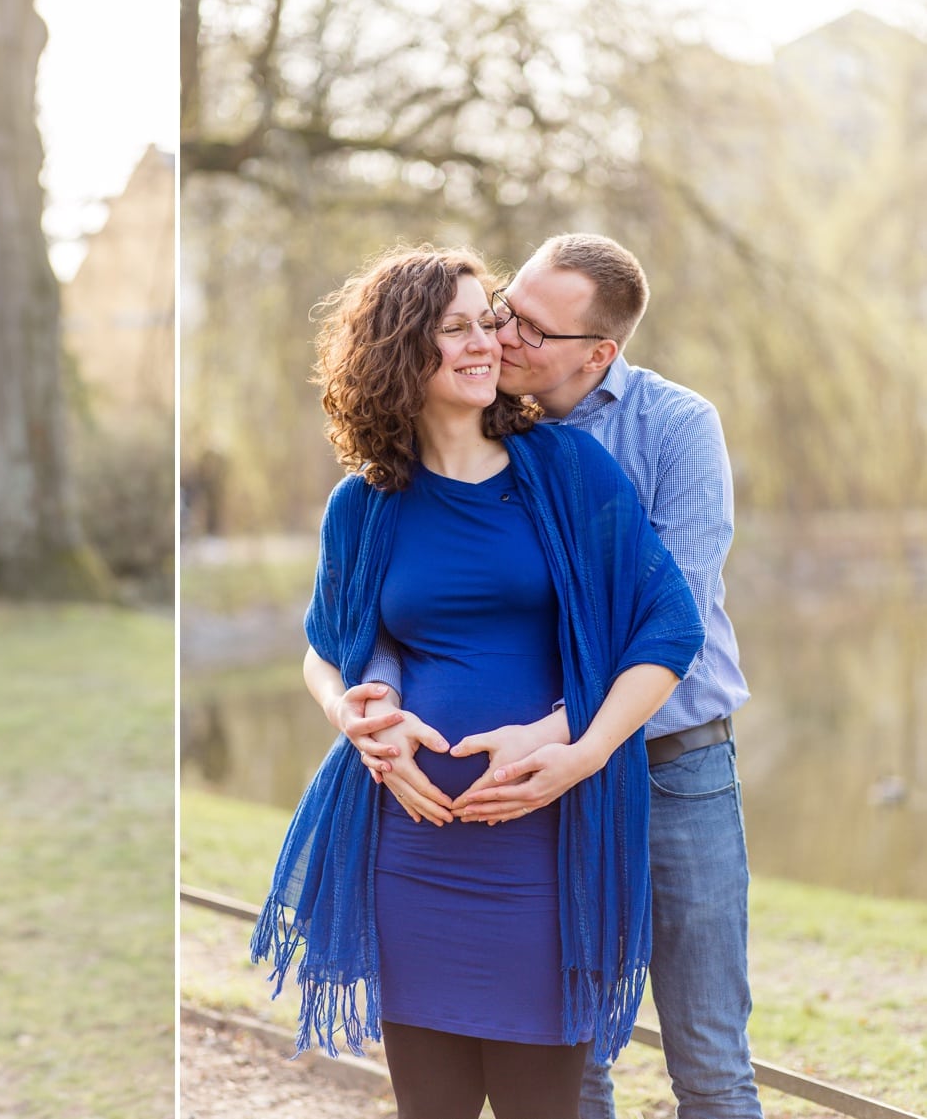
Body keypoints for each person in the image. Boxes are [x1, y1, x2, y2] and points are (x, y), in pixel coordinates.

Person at [250, 245, 704, 1119]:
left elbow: (668, 628)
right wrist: (351, 713)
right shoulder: (365, 503)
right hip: (409, 850)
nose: (484, 342)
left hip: (546, 850)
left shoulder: (569, 474)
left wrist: (583, 751)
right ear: (399, 353)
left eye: (485, 320)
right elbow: (324, 648)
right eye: (453, 328)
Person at [348, 234, 758, 1119]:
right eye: (501, 308)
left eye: (528, 325)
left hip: (671, 759)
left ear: (597, 354)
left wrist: (565, 733)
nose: (501, 333)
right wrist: (377, 693)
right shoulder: (492, 432)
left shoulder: (666, 430)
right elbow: (396, 596)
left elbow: (663, 617)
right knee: (580, 1060)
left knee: (711, 1059)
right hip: (537, 797)